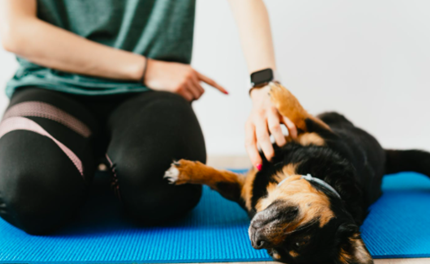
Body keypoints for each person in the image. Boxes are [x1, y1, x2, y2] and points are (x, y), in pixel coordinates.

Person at [0, 0, 297, 235]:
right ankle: (82, 170)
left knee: (161, 189)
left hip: (149, 94)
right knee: (28, 195)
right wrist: (146, 68)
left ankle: (99, 169)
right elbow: (16, 30)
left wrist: (264, 87)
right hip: (50, 87)